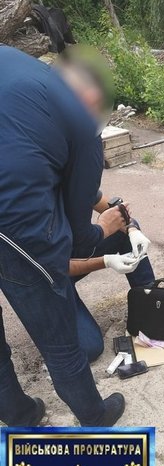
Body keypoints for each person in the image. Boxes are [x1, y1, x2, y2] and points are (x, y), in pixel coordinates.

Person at [0, 44, 125, 427]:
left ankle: (16, 413)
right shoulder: (83, 123)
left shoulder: (12, 61)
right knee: (61, 343)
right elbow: (75, 238)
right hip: (14, 229)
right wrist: (104, 231)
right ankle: (94, 415)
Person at [70, 190, 155, 362]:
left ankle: (150, 303)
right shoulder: (31, 203)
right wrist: (106, 261)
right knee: (89, 349)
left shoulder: (73, 183)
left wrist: (132, 229)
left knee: (123, 229)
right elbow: (52, 266)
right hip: (42, 278)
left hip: (67, 252)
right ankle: (44, 322)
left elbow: (118, 213)